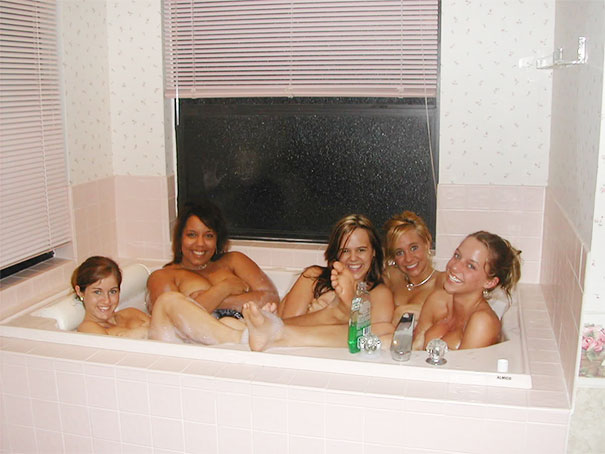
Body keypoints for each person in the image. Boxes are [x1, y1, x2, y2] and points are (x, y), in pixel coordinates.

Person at [244, 214, 394, 351]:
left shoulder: (380, 294)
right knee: (242, 327)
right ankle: (336, 311)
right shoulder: (313, 277)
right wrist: (321, 315)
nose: (353, 258)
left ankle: (337, 310)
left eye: (361, 250)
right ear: (336, 253)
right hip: (293, 350)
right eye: (345, 251)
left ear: (374, 252)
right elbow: (286, 321)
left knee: (382, 329)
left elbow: (370, 341)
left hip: (328, 352)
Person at [146, 200, 279, 316]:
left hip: (248, 331)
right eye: (192, 235)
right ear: (180, 238)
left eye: (208, 236)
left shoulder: (234, 261)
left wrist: (210, 301)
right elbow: (171, 318)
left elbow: (271, 299)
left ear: (217, 239)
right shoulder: (163, 276)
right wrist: (224, 288)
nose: (200, 243)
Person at [412, 231, 522, 350]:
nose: (454, 267)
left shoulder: (483, 322)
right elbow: (415, 349)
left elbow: (466, 362)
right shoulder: (437, 300)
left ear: (490, 282)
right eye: (457, 256)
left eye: (470, 266)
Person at [383, 211, 445, 323]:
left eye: (414, 248)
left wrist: (402, 312)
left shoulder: (443, 282)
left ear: (427, 243)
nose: (408, 259)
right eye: (399, 252)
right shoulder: (391, 276)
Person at [74, 256, 150, 338]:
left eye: (112, 291)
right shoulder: (87, 328)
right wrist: (145, 331)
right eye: (97, 292)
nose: (107, 300)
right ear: (80, 292)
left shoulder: (131, 313)